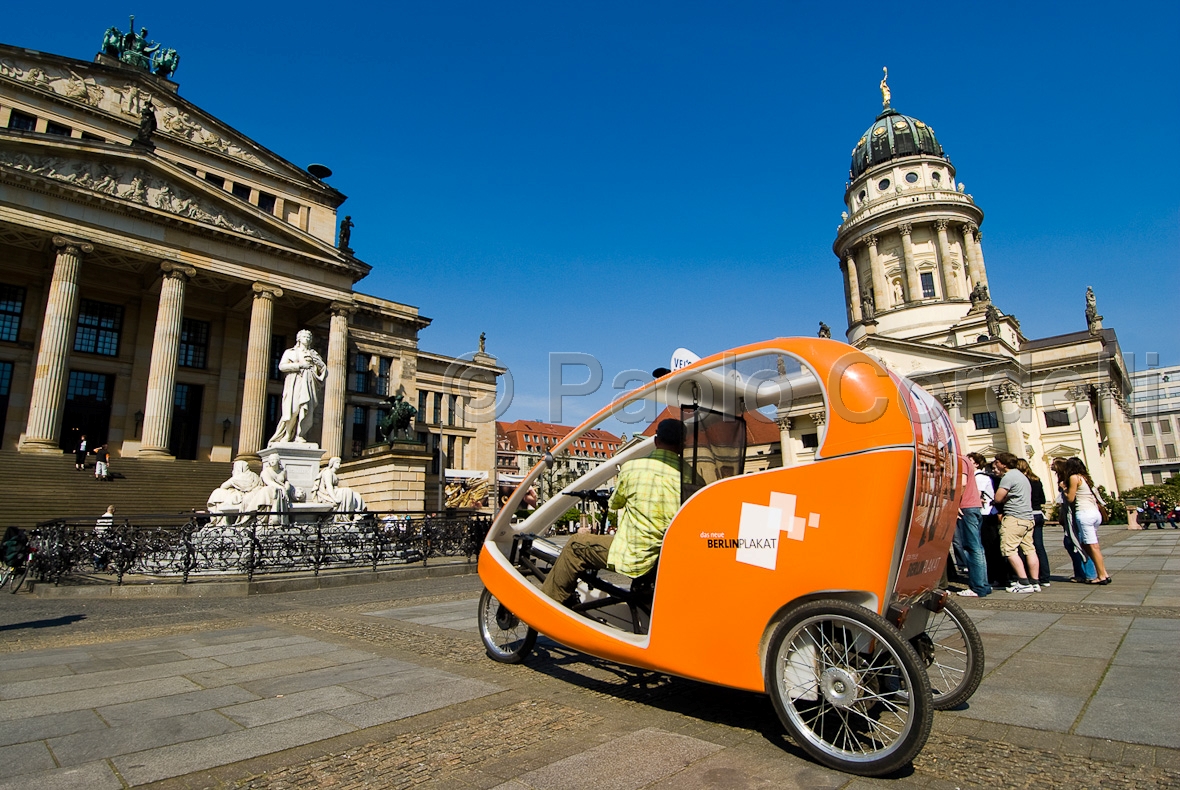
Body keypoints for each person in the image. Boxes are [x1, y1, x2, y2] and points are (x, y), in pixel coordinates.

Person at [541, 418, 684, 603]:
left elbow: (615, 503)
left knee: (575, 545)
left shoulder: (633, 467)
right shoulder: (691, 475)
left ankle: (548, 605)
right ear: (683, 443)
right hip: (666, 556)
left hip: (636, 554)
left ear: (656, 441)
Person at [991, 452, 1040, 593]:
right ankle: (1034, 581)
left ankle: (1024, 582)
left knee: (1009, 549)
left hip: (1014, 518)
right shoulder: (1021, 475)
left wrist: (1000, 499)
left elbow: (998, 497)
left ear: (1003, 464)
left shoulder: (1009, 477)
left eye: (997, 461)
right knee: (1029, 549)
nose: (996, 464)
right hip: (1027, 517)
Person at [268, 330, 327, 445]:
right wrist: (300, 366)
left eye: (309, 337)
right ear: (299, 339)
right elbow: (282, 366)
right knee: (293, 410)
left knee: (306, 411)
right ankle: (288, 433)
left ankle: (300, 435)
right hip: (295, 383)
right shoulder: (290, 352)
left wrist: (318, 363)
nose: (308, 339)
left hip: (309, 384)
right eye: (305, 336)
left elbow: (324, 370)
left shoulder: (313, 354)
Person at [1061, 457, 1111, 584]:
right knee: (1087, 545)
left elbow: (1070, 498)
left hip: (1084, 513)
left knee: (1093, 546)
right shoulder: (1085, 478)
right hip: (1094, 513)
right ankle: (1103, 573)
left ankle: (1101, 575)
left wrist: (1064, 488)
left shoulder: (1074, 478)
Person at [953, 454, 990, 597]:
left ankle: (978, 586)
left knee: (971, 547)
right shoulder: (965, 460)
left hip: (966, 507)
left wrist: (955, 502)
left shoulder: (960, 460)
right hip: (973, 506)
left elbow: (962, 483)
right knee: (977, 548)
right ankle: (984, 584)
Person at [968, 452, 1004, 586]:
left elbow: (977, 495)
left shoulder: (980, 477)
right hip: (984, 514)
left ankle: (997, 577)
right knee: (987, 546)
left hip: (987, 514)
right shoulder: (975, 477)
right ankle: (993, 575)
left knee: (990, 547)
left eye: (970, 460)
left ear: (976, 463)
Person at [1015, 459, 1051, 587]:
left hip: (1026, 514)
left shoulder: (1021, 481)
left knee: (1025, 546)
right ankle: (1045, 576)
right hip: (1038, 513)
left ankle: (1028, 575)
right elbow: (1043, 498)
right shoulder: (1036, 480)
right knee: (1039, 546)